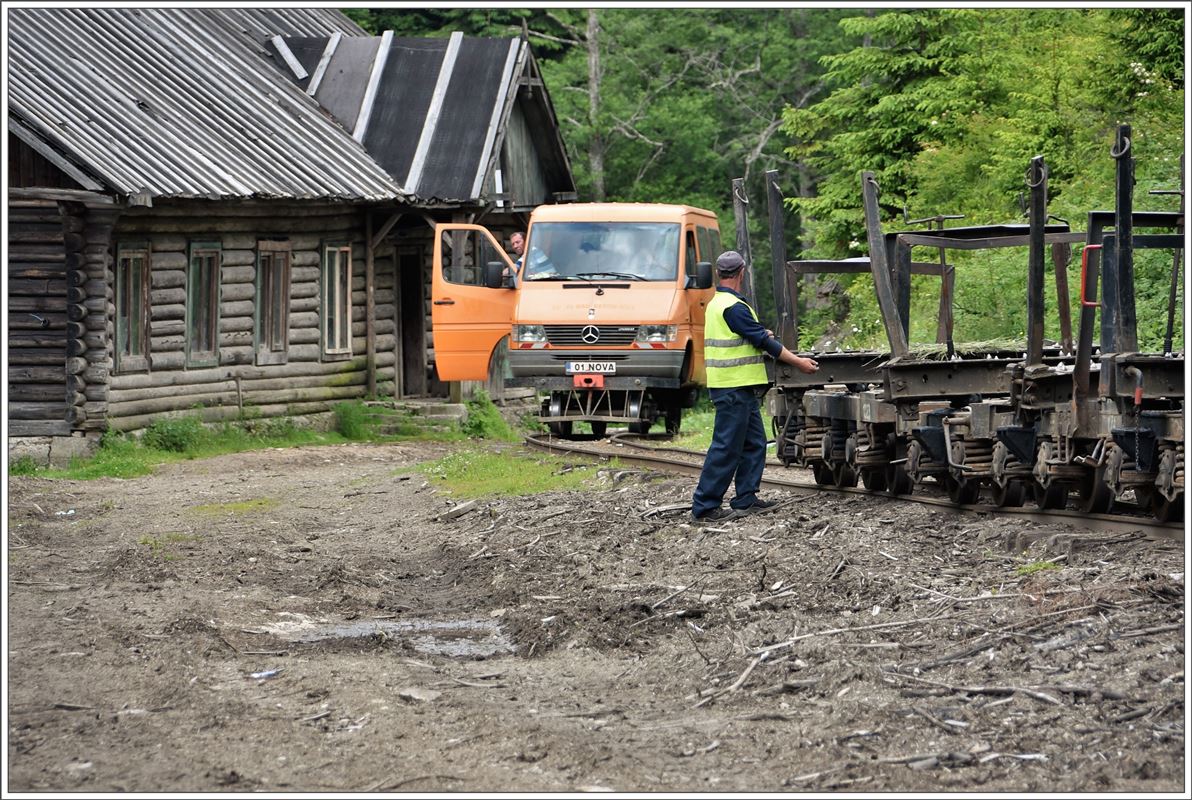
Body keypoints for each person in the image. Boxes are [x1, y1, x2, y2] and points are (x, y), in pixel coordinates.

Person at [691, 250, 819, 523]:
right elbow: (765, 342)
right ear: (742, 273)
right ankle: (704, 508)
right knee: (726, 447)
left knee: (754, 444)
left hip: (739, 388)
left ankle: (745, 498)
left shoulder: (719, 303)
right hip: (733, 388)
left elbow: (750, 334)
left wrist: (760, 334)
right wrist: (800, 363)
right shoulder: (733, 307)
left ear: (718, 274)